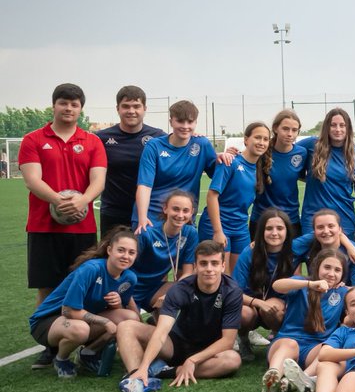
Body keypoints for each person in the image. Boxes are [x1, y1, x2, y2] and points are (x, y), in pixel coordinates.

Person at [20, 83, 108, 313]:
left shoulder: (92, 141)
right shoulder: (33, 140)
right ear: (54, 106)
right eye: (63, 103)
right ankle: (48, 343)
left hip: (83, 227)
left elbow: (98, 180)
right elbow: (32, 180)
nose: (68, 108)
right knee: (46, 287)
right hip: (43, 226)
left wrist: (83, 200)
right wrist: (59, 201)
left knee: (84, 286)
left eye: (74, 104)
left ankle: (86, 344)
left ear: (80, 109)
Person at [114, 240, 243, 392]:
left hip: (207, 353)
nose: (209, 269)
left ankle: (165, 371)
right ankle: (139, 376)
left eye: (214, 263)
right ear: (195, 266)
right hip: (175, 344)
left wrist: (192, 360)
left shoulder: (232, 291)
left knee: (232, 360)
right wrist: (143, 365)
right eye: (203, 263)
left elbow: (227, 341)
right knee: (126, 326)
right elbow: (161, 332)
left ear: (222, 266)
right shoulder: (180, 289)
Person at [27, 228, 140, 378]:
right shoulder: (91, 269)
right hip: (48, 322)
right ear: (109, 250)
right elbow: (67, 311)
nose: (126, 256)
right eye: (121, 250)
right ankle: (61, 359)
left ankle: (88, 353)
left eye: (131, 252)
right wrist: (105, 321)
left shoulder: (129, 278)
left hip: (80, 320)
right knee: (80, 330)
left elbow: (128, 314)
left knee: (129, 319)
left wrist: (117, 304)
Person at [261, 249, 350, 392]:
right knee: (290, 344)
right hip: (286, 343)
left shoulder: (341, 293)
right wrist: (310, 284)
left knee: (328, 349)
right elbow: (277, 285)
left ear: (342, 275)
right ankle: (273, 374)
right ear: (317, 267)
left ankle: (302, 378)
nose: (331, 273)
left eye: (337, 270)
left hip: (313, 350)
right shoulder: (302, 284)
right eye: (327, 267)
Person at [133, 99, 217, 232]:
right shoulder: (154, 146)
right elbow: (144, 185)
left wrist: (225, 157)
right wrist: (142, 217)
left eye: (190, 122)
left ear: (195, 122)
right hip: (152, 216)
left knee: (183, 253)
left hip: (183, 217)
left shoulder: (202, 145)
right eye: (180, 121)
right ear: (171, 121)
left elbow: (218, 174)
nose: (185, 126)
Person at [198, 121, 270, 273]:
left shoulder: (259, 168)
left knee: (238, 276)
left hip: (240, 228)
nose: (261, 142)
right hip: (218, 225)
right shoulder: (230, 162)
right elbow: (211, 196)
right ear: (246, 139)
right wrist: (218, 231)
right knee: (218, 275)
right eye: (257, 138)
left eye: (265, 139)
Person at [95, 85, 165, 238]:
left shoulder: (158, 136)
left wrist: (196, 138)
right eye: (125, 106)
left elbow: (180, 147)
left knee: (144, 259)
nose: (131, 111)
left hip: (149, 211)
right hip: (113, 212)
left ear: (144, 108)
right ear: (117, 108)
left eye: (136, 106)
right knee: (112, 258)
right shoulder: (102, 138)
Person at [299, 107, 355, 237]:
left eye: (342, 125)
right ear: (326, 127)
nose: (338, 129)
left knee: (342, 257)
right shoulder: (311, 145)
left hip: (344, 218)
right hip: (313, 219)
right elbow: (289, 154)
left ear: (348, 128)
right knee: (316, 257)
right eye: (333, 125)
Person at [129, 190, 198, 313]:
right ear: (165, 209)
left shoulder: (190, 233)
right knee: (128, 324)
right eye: (175, 209)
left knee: (188, 292)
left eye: (185, 211)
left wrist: (171, 295)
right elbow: (123, 271)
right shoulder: (147, 234)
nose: (180, 215)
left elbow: (188, 273)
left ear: (192, 213)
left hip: (155, 288)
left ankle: (160, 325)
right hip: (130, 289)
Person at [233, 207, 295, 341]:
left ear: (287, 231)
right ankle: (243, 338)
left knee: (274, 307)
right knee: (244, 313)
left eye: (280, 228)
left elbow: (317, 234)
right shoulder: (249, 252)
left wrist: (344, 239)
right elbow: (234, 291)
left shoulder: (293, 250)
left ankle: (279, 337)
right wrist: (259, 303)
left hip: (278, 305)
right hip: (251, 305)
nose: (274, 233)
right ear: (261, 231)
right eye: (269, 229)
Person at [250, 109, 307, 232]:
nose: (290, 134)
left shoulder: (302, 153)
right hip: (262, 220)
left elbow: (304, 176)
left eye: (294, 130)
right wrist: (227, 154)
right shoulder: (261, 151)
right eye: (285, 129)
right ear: (275, 128)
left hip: (291, 220)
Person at [293, 208, 355, 286]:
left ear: (340, 229)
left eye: (331, 226)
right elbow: (286, 248)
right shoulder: (307, 243)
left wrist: (341, 290)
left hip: (344, 296)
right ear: (314, 232)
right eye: (320, 227)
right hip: (314, 293)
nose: (326, 231)